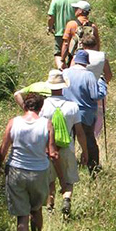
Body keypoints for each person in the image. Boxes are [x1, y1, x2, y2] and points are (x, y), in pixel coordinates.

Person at [0, 91, 57, 231]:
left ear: (25, 106)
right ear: (41, 107)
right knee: (36, 209)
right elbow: (51, 152)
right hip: (39, 171)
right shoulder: (47, 124)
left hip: (16, 170)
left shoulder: (13, 123)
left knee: (22, 214)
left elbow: (3, 150)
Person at [40, 69, 86, 218]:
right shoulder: (73, 106)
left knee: (50, 181)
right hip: (67, 148)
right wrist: (85, 151)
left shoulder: (43, 106)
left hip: (48, 150)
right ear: (63, 86)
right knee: (69, 180)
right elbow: (79, 132)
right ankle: (66, 199)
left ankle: (50, 206)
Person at [64, 49, 102, 174]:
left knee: (68, 141)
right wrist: (102, 86)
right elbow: (95, 95)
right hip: (85, 114)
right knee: (89, 139)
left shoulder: (65, 73)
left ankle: (67, 168)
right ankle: (93, 169)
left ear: (75, 60)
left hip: (68, 112)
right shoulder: (89, 75)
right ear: (86, 63)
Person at [47, 0, 84, 67]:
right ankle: (71, 71)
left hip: (60, 31)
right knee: (73, 54)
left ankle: (61, 69)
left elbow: (51, 16)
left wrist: (50, 27)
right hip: (75, 31)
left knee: (58, 53)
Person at [61, 1, 102, 68]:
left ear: (80, 11)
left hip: (74, 59)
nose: (74, 10)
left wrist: (62, 60)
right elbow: (97, 44)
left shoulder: (71, 24)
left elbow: (66, 43)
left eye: (76, 8)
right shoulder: (93, 26)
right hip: (89, 59)